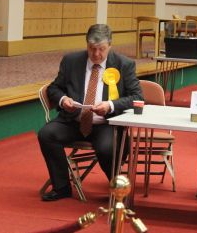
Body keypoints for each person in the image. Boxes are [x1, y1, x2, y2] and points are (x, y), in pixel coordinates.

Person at [38, 23, 143, 201]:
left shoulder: (124, 64)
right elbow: (54, 88)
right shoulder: (71, 61)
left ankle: (118, 190)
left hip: (106, 124)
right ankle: (61, 187)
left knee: (106, 148)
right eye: (91, 49)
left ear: (110, 45)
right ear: (86, 44)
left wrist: (110, 105)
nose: (96, 54)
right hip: (73, 121)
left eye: (101, 49)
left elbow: (137, 96)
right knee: (46, 134)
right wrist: (64, 100)